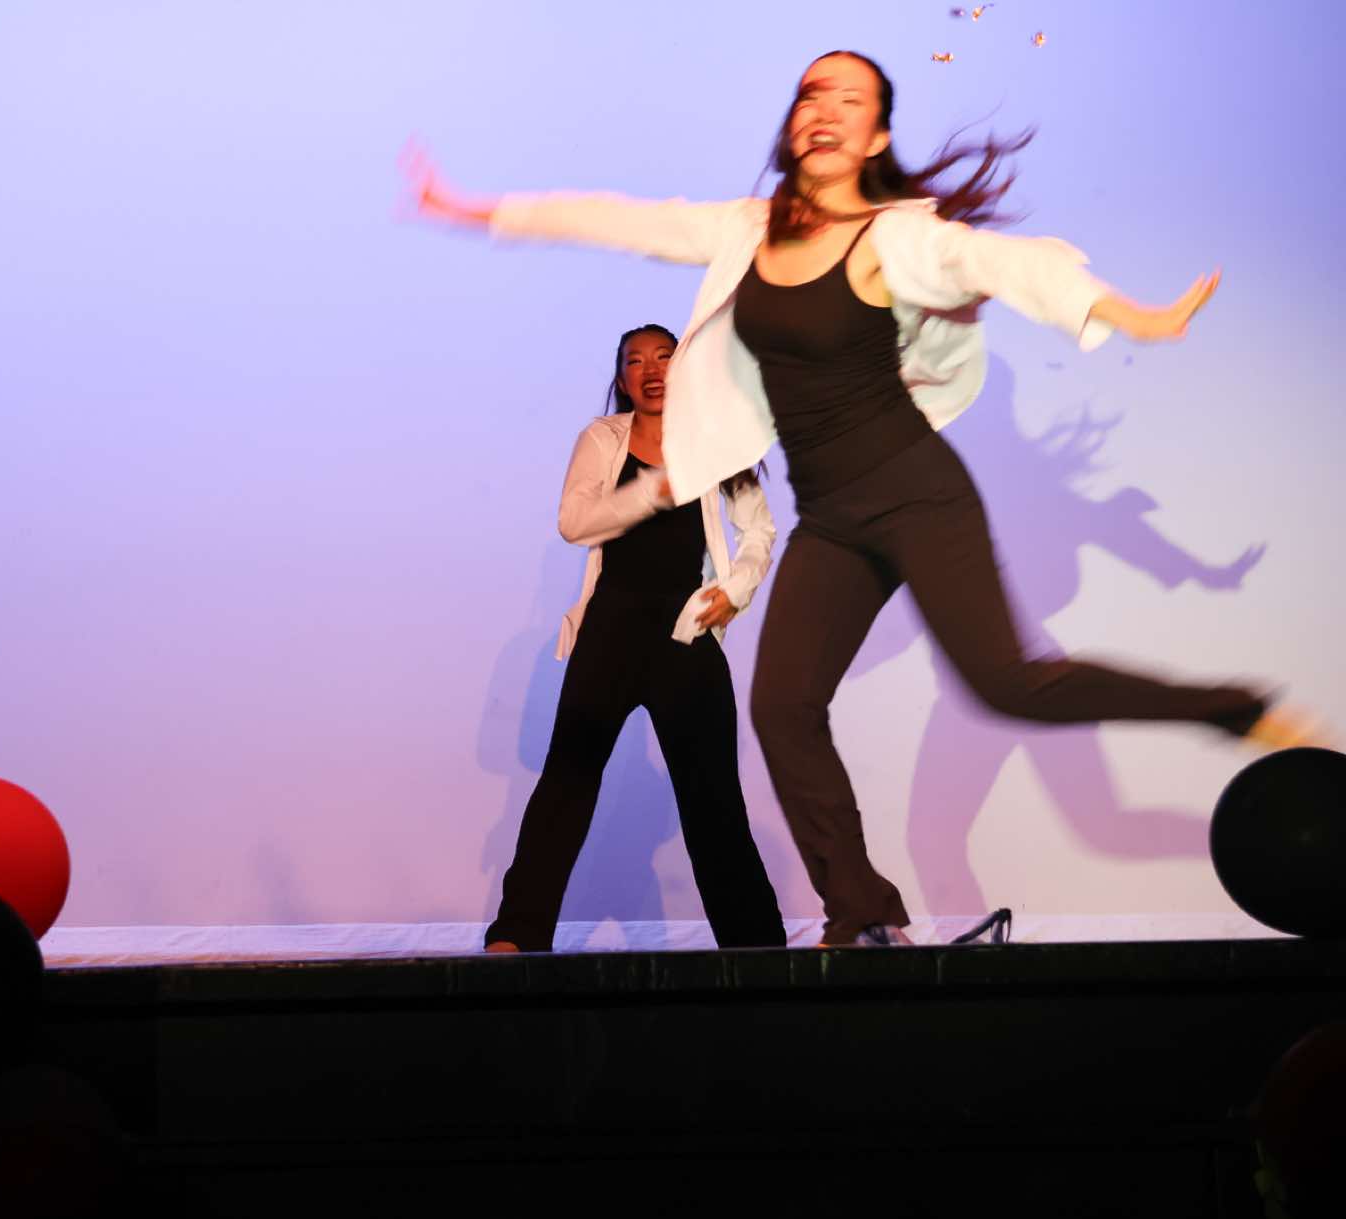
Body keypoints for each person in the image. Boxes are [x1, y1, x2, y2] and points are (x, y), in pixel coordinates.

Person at [410, 50, 1320, 946]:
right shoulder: (746, 230)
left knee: (1009, 685)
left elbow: (1002, 264)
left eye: (851, 98)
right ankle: (862, 910)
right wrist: (478, 209)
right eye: (813, 92)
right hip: (833, 519)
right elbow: (619, 220)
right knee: (782, 707)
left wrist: (1131, 315)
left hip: (919, 495)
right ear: (793, 121)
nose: (826, 108)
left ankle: (1232, 709)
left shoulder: (893, 237)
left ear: (876, 135)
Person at [486, 324, 785, 953]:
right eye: (635, 361)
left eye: (664, 357)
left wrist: (735, 589)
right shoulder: (602, 438)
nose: (651, 370)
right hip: (612, 629)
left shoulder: (713, 443)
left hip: (685, 633)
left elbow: (759, 530)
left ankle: (757, 948)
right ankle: (515, 934)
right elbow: (574, 522)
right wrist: (651, 491)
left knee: (713, 801)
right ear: (622, 379)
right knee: (566, 785)